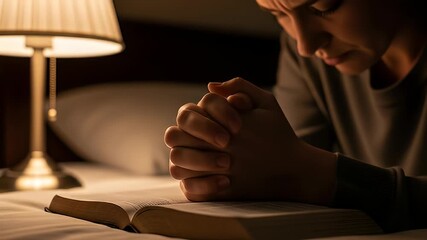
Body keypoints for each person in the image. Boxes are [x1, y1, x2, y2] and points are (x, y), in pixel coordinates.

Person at [164, 0, 427, 233]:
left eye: (323, 7)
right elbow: (290, 168)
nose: (305, 45)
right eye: (278, 14)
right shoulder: (306, 56)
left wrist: (320, 175)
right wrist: (228, 157)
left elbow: (301, 171)